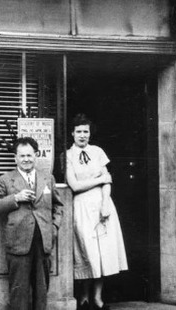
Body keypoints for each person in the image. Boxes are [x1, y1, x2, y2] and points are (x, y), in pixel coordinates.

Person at [0, 137, 64, 310]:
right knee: (19, 292)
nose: (26, 159)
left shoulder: (48, 178)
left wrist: (53, 228)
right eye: (22, 156)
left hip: (43, 241)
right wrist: (16, 198)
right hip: (18, 242)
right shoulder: (6, 179)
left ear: (36, 156)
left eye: (29, 155)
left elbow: (58, 206)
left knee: (41, 290)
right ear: (15, 158)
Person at [66, 114, 128, 310]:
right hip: (82, 206)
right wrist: (99, 180)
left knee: (103, 253)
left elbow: (108, 180)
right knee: (87, 252)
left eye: (86, 131)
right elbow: (74, 185)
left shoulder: (98, 151)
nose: (82, 135)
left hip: (102, 205)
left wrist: (105, 204)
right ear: (72, 133)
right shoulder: (68, 155)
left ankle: (98, 298)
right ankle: (83, 297)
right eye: (79, 132)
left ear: (90, 133)